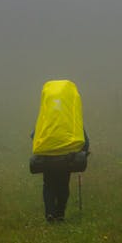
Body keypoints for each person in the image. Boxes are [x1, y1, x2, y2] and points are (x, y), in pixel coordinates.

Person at [30, 80, 89, 222]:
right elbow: (82, 137)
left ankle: (49, 213)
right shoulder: (70, 118)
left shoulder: (47, 118)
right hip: (66, 158)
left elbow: (34, 135)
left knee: (48, 185)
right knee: (63, 185)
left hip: (47, 157)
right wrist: (85, 151)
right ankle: (60, 214)